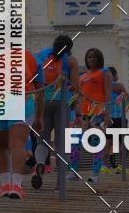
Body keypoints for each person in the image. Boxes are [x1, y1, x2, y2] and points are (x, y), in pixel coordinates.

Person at [0, 49, 44, 199]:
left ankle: (5, 185)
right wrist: (39, 116)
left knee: (1, 146)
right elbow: (40, 89)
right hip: (22, 100)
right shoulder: (33, 57)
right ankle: (17, 186)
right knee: (17, 144)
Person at [33, 35, 80, 189]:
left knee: (42, 140)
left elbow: (35, 78)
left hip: (42, 101)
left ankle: (40, 163)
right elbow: (75, 88)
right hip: (62, 102)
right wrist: (77, 111)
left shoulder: (41, 54)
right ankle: (60, 181)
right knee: (61, 141)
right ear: (69, 48)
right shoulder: (71, 61)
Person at [78, 48, 112, 184]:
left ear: (99, 59)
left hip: (98, 112)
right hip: (83, 113)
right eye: (89, 57)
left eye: (94, 57)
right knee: (75, 142)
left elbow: (108, 93)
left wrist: (107, 114)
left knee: (96, 143)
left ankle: (95, 174)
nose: (91, 59)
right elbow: (79, 96)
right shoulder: (82, 76)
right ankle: (74, 172)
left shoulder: (105, 72)